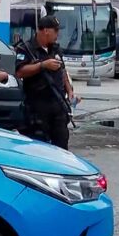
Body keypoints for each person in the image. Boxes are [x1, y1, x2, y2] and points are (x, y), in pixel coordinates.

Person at [14, 15, 79, 149]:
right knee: (39, 148)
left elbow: (63, 72)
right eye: (56, 31)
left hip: (57, 105)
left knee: (61, 146)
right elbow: (20, 72)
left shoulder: (55, 49)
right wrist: (42, 65)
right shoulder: (26, 48)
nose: (58, 34)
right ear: (46, 31)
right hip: (37, 107)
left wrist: (70, 91)